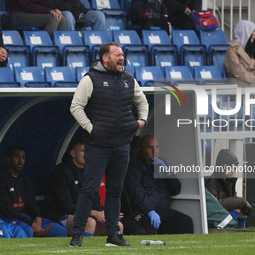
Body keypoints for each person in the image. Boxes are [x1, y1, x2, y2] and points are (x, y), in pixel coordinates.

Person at [69, 42, 149, 247]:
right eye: (118, 55)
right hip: (97, 145)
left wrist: (141, 122)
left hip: (122, 144)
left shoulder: (129, 79)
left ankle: (113, 235)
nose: (122, 58)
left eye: (123, 54)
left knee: (115, 190)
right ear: (105, 58)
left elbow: (143, 102)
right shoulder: (90, 79)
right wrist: (90, 128)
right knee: (89, 188)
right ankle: (77, 233)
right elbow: (76, 106)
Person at [46, 137, 123, 237]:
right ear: (73, 154)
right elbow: (67, 207)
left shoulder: (89, 173)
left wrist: (106, 212)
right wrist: (94, 213)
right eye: (83, 151)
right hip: (61, 216)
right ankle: (84, 250)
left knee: (117, 225)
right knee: (89, 222)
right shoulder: (61, 172)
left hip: (86, 214)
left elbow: (95, 201)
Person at [0, 145, 68, 238]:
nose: (20, 161)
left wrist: (38, 217)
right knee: (28, 230)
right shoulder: (0, 177)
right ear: (8, 159)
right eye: (17, 157)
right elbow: (6, 209)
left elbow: (32, 202)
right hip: (8, 218)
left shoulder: (24, 178)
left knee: (60, 231)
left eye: (23, 157)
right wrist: (31, 223)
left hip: (26, 217)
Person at [125, 135, 194, 234]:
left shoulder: (161, 163)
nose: (154, 151)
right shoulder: (135, 166)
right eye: (149, 147)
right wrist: (149, 211)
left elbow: (175, 189)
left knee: (185, 221)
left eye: (157, 147)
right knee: (149, 230)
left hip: (163, 212)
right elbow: (136, 192)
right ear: (141, 149)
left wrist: (167, 172)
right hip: (144, 213)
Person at [205, 149, 253, 228]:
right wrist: (240, 201)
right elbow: (214, 205)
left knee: (243, 212)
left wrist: (242, 203)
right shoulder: (212, 183)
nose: (232, 170)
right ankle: (231, 228)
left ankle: (239, 231)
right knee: (237, 209)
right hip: (215, 217)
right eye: (229, 167)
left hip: (223, 211)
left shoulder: (229, 181)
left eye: (234, 168)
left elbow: (233, 198)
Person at [224, 20, 255, 88]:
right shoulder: (232, 48)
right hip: (239, 84)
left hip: (251, 82)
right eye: (252, 31)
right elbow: (238, 72)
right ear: (244, 32)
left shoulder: (247, 48)